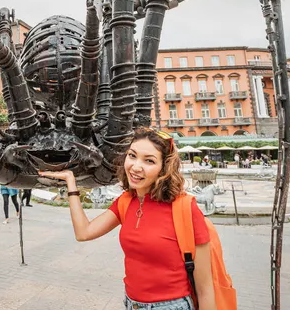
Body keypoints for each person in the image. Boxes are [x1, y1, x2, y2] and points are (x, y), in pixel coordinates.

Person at [39, 128, 216, 310]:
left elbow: (205, 289)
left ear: (164, 168)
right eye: (132, 156)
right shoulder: (126, 202)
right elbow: (84, 233)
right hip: (131, 304)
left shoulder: (185, 207)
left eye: (149, 160)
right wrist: (71, 183)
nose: (136, 166)